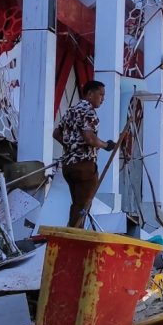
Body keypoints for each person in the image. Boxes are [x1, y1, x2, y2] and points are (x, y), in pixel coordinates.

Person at [52, 81, 117, 228]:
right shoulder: (89, 112)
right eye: (100, 94)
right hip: (84, 165)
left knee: (77, 203)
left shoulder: (71, 111)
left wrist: (70, 146)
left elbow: (56, 133)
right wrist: (106, 145)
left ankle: (73, 231)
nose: (103, 99)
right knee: (83, 205)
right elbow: (90, 138)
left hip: (68, 166)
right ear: (90, 94)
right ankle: (73, 234)